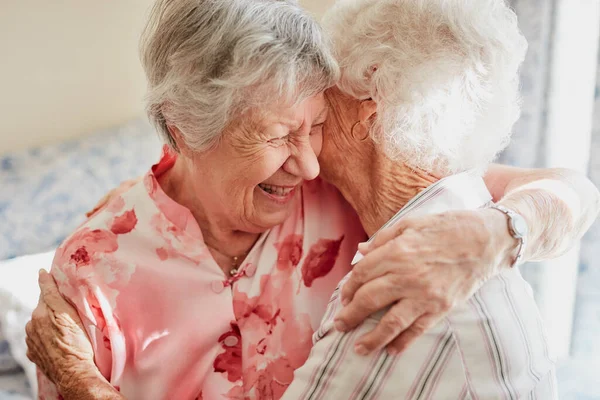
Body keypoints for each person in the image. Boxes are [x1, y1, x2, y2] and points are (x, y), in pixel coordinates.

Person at [25, 0, 600, 399]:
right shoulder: (93, 273)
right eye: (277, 136)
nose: (306, 162)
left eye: (317, 123)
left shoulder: (350, 181)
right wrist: (82, 385)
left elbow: (573, 193)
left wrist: (494, 234)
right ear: (183, 132)